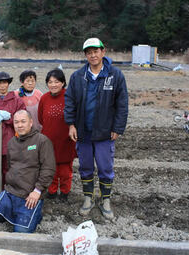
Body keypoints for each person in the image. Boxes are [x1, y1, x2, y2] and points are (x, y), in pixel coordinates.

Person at [64, 38, 128, 219]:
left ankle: (105, 200)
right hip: (83, 131)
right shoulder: (78, 76)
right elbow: (70, 102)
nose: (93, 55)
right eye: (89, 52)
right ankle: (88, 198)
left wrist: (117, 127)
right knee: (85, 166)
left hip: (105, 131)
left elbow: (122, 104)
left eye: (96, 51)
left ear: (103, 51)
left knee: (105, 166)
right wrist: (71, 124)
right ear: (86, 55)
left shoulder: (115, 75)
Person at [0, 110, 56, 233]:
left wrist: (38, 190)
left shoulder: (42, 141)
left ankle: (35, 214)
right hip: (11, 191)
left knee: (21, 231)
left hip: (30, 194)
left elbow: (49, 169)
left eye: (23, 121)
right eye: (16, 122)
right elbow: (10, 165)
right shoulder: (12, 143)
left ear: (31, 122)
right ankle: (16, 213)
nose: (20, 125)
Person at [38, 69, 76, 201]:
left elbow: (74, 117)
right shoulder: (44, 98)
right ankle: (52, 191)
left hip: (66, 140)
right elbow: (41, 118)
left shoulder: (69, 97)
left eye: (57, 81)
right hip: (49, 140)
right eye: (50, 82)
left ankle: (65, 192)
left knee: (65, 170)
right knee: (50, 168)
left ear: (63, 83)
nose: (53, 84)